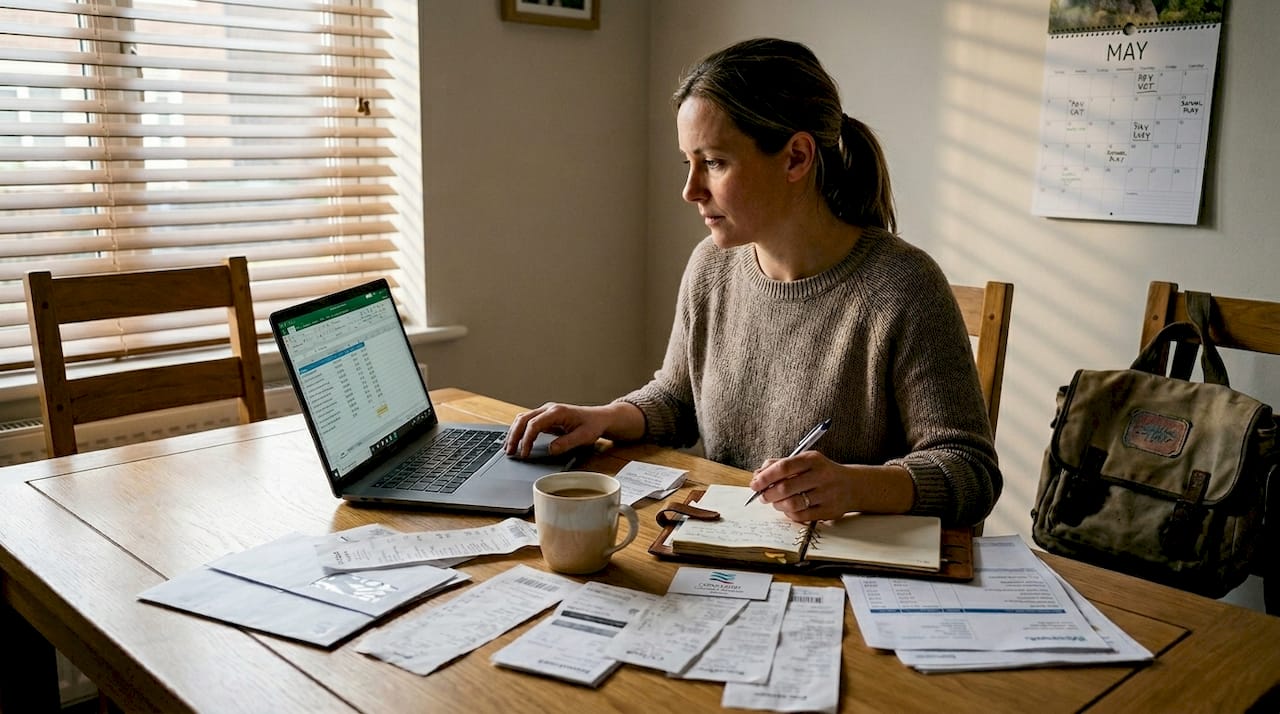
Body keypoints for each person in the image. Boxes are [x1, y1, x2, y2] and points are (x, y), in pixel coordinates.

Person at [506, 37, 1001, 527]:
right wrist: (604, 416)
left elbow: (971, 471)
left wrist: (853, 485)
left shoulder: (904, 287)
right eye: (688, 162)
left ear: (795, 158)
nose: (690, 190)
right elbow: (677, 400)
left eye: (715, 163)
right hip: (728, 550)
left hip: (843, 575)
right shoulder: (710, 268)